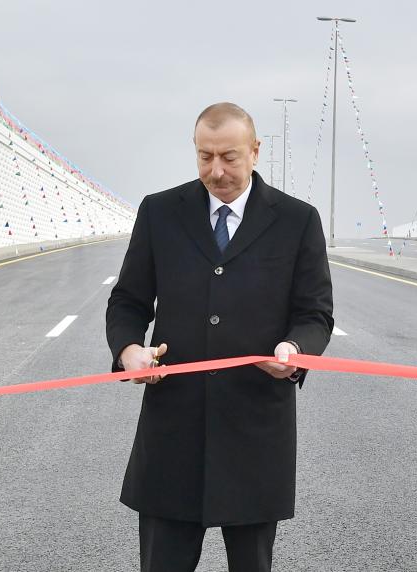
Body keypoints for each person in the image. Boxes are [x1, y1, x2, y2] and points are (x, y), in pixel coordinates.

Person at [105, 102, 334, 572]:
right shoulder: (160, 212)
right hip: (173, 429)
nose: (216, 170)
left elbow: (315, 313)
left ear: (255, 151)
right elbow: (127, 301)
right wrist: (129, 349)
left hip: (254, 428)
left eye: (229, 157)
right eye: (204, 156)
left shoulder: (297, 220)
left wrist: (295, 350)